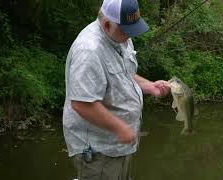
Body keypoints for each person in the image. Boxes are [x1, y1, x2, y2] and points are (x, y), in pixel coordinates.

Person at [62, 0, 170, 179]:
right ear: (106, 24)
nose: (129, 36)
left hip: (119, 145)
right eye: (126, 31)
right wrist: (120, 128)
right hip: (97, 150)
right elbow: (81, 103)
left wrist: (149, 86)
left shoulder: (119, 37)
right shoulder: (89, 51)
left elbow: (123, 74)